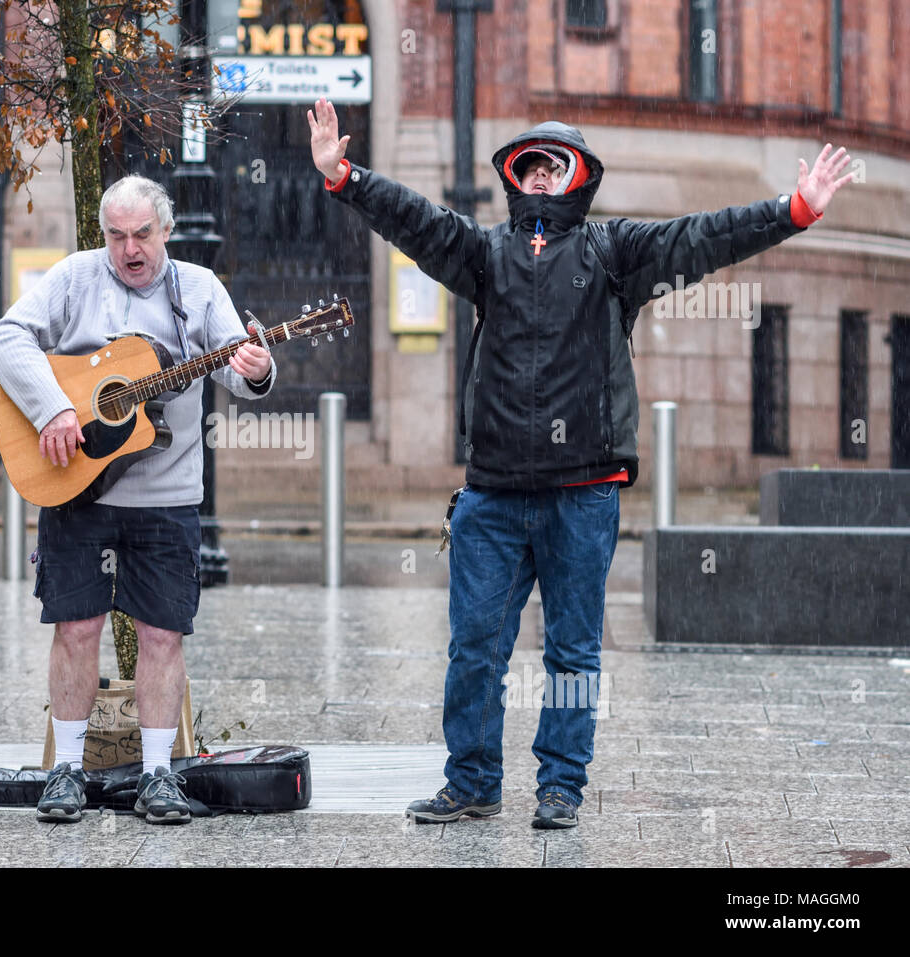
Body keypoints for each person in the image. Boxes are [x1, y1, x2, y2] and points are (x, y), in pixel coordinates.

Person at [308, 97, 853, 829]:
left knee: (570, 656)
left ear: (577, 180)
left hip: (583, 492)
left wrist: (794, 209)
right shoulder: (484, 254)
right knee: (475, 649)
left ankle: (561, 785)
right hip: (493, 495)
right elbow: (416, 220)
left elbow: (702, 238)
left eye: (551, 167)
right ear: (513, 180)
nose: (538, 178)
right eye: (527, 167)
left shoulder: (615, 254)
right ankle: (470, 780)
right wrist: (345, 176)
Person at [0, 175, 275, 825]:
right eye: (116, 236)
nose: (129, 249)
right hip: (77, 486)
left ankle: (157, 775)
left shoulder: (199, 289)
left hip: (167, 496)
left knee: (161, 634)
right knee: (77, 626)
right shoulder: (75, 277)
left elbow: (237, 366)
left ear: (165, 231)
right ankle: (66, 769)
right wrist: (55, 405)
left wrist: (257, 370)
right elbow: (6, 339)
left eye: (142, 234)